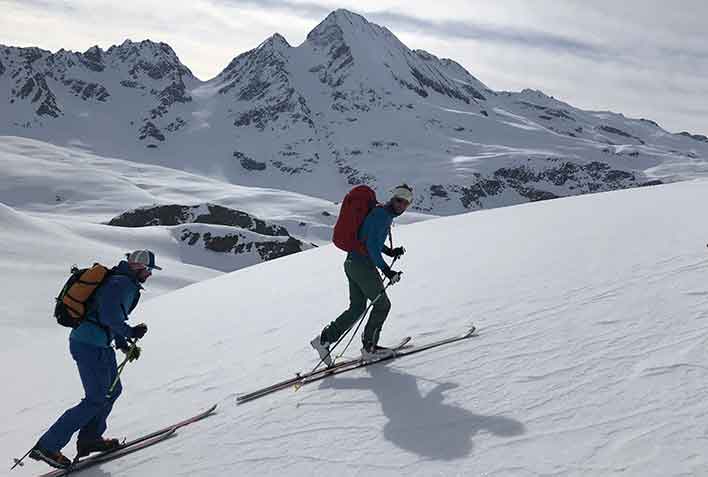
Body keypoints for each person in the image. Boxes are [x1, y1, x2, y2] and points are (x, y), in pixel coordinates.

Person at [29, 250, 160, 468]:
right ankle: (48, 446)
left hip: (98, 344)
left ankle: (90, 439)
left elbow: (107, 315)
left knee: (112, 391)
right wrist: (130, 332)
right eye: (148, 270)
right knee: (96, 398)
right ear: (138, 267)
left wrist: (122, 343)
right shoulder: (121, 284)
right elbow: (109, 316)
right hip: (89, 345)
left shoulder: (121, 281)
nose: (149, 274)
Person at [312, 184, 413, 365]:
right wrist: (387, 270)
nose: (401, 206)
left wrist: (390, 252)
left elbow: (369, 239)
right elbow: (371, 248)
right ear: (393, 198)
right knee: (382, 305)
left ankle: (324, 340)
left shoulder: (381, 213)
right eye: (399, 200)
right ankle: (369, 348)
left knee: (357, 308)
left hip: (352, 263)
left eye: (405, 203)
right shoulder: (382, 216)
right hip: (362, 265)